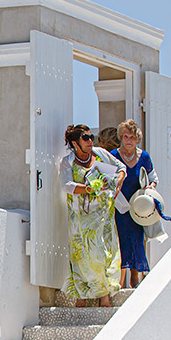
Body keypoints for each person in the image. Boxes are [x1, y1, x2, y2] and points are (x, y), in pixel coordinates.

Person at [60, 124, 126, 307]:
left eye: (91, 137)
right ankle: (82, 294)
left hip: (103, 214)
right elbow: (66, 185)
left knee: (103, 254)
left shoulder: (100, 154)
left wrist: (116, 182)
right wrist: (88, 188)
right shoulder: (68, 161)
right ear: (75, 142)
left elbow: (121, 168)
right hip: (80, 217)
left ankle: (104, 294)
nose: (91, 141)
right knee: (83, 255)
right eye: (85, 138)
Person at [111, 119, 159, 288]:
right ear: (121, 138)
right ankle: (120, 282)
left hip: (138, 205)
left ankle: (135, 279)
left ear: (137, 139)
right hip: (119, 205)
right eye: (126, 137)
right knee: (120, 240)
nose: (129, 140)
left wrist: (149, 188)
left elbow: (153, 178)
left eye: (132, 137)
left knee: (137, 240)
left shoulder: (144, 157)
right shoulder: (113, 156)